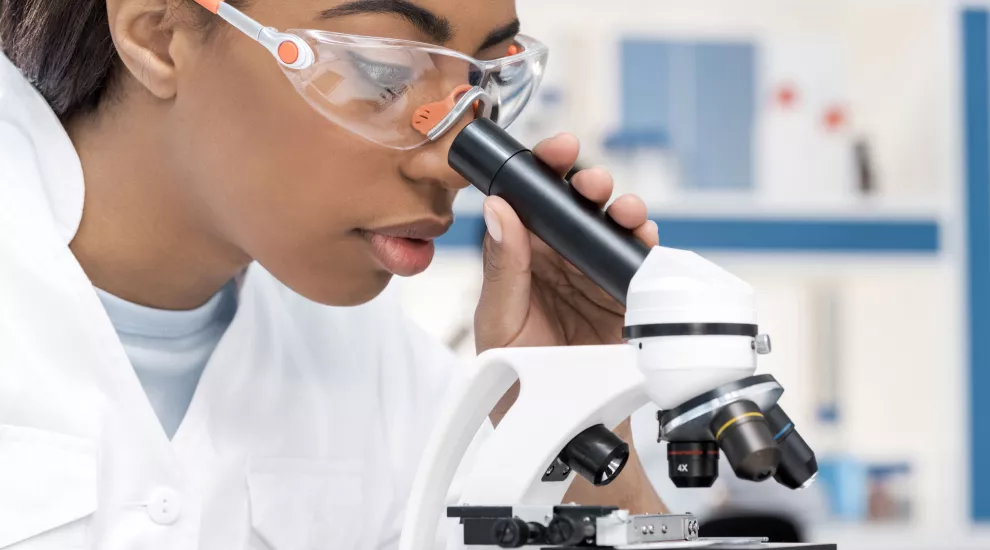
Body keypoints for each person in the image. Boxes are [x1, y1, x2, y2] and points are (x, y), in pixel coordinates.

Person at [0, 0, 665, 548]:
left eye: (486, 85)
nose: (449, 164)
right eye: (381, 74)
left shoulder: (384, 371)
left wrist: (574, 421)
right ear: (158, 34)